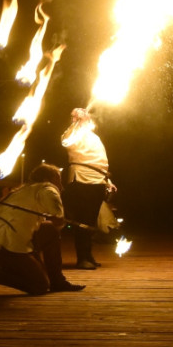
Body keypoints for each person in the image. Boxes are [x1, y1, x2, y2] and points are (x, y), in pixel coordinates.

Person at [0, 163, 86, 295]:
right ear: (49, 178)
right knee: (40, 285)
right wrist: (58, 218)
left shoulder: (19, 191)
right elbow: (57, 216)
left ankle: (57, 281)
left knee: (50, 230)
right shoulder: (48, 189)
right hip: (7, 247)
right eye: (58, 179)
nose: (60, 184)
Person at [60, 107, 116, 269]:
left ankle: (88, 255)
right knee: (82, 222)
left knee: (91, 222)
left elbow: (99, 162)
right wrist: (76, 122)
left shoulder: (95, 137)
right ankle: (82, 258)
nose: (84, 118)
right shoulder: (72, 135)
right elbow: (65, 141)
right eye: (77, 117)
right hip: (81, 179)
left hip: (98, 181)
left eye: (84, 116)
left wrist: (107, 180)